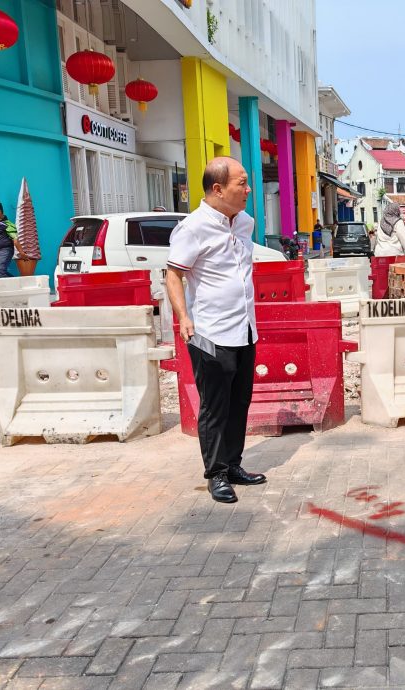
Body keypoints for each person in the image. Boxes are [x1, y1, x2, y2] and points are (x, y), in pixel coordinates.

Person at [165, 157, 267, 504]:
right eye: (242, 183)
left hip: (245, 328)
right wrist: (183, 317)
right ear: (218, 189)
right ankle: (216, 474)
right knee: (215, 405)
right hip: (211, 331)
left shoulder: (245, 222)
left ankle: (234, 464)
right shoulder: (192, 227)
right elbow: (173, 274)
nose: (248, 189)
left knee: (240, 401)